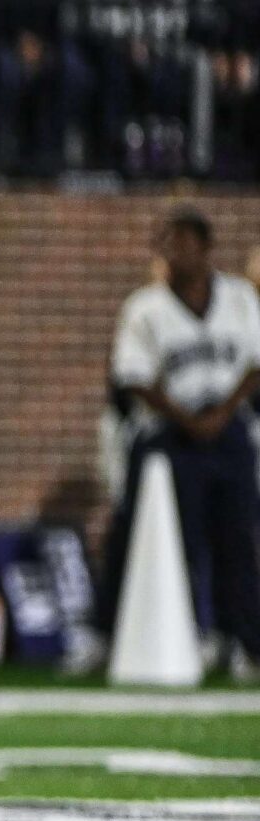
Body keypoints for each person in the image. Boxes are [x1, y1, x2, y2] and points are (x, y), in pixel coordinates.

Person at [103, 208, 260, 679]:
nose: (176, 254)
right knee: (180, 538)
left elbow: (254, 363)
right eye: (169, 244)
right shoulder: (144, 307)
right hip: (173, 433)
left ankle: (243, 641)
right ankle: (194, 634)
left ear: (207, 248)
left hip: (227, 427)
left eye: (186, 243)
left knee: (237, 537)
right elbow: (132, 377)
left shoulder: (238, 298)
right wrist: (188, 419)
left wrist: (221, 412)